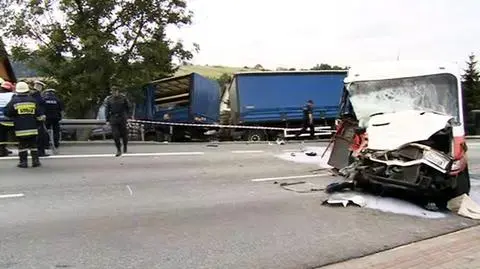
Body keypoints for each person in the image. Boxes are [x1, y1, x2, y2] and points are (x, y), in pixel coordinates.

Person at [5, 82, 45, 168]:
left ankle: (23, 162)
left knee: (22, 146)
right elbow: (40, 115)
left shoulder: (14, 101)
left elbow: (7, 113)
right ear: (27, 90)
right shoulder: (33, 100)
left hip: (20, 129)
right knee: (33, 145)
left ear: (17, 91)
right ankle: (36, 161)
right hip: (33, 128)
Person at [105, 86, 131, 156]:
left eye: (115, 91)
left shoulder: (123, 98)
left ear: (118, 91)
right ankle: (118, 150)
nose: (114, 93)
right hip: (113, 118)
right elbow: (107, 110)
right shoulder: (109, 99)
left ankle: (125, 145)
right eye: (113, 92)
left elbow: (128, 107)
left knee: (124, 134)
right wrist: (107, 119)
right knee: (115, 135)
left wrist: (128, 116)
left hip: (122, 117)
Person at [31, 80, 49, 156]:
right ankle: (40, 152)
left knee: (39, 136)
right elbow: (39, 107)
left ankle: (38, 151)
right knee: (41, 136)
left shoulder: (32, 95)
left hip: (33, 118)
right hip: (38, 119)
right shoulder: (37, 96)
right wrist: (42, 115)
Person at [0, 81, 15, 157]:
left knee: (2, 136)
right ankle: (23, 147)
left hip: (0, 121)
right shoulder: (13, 95)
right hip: (12, 120)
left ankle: (2, 150)